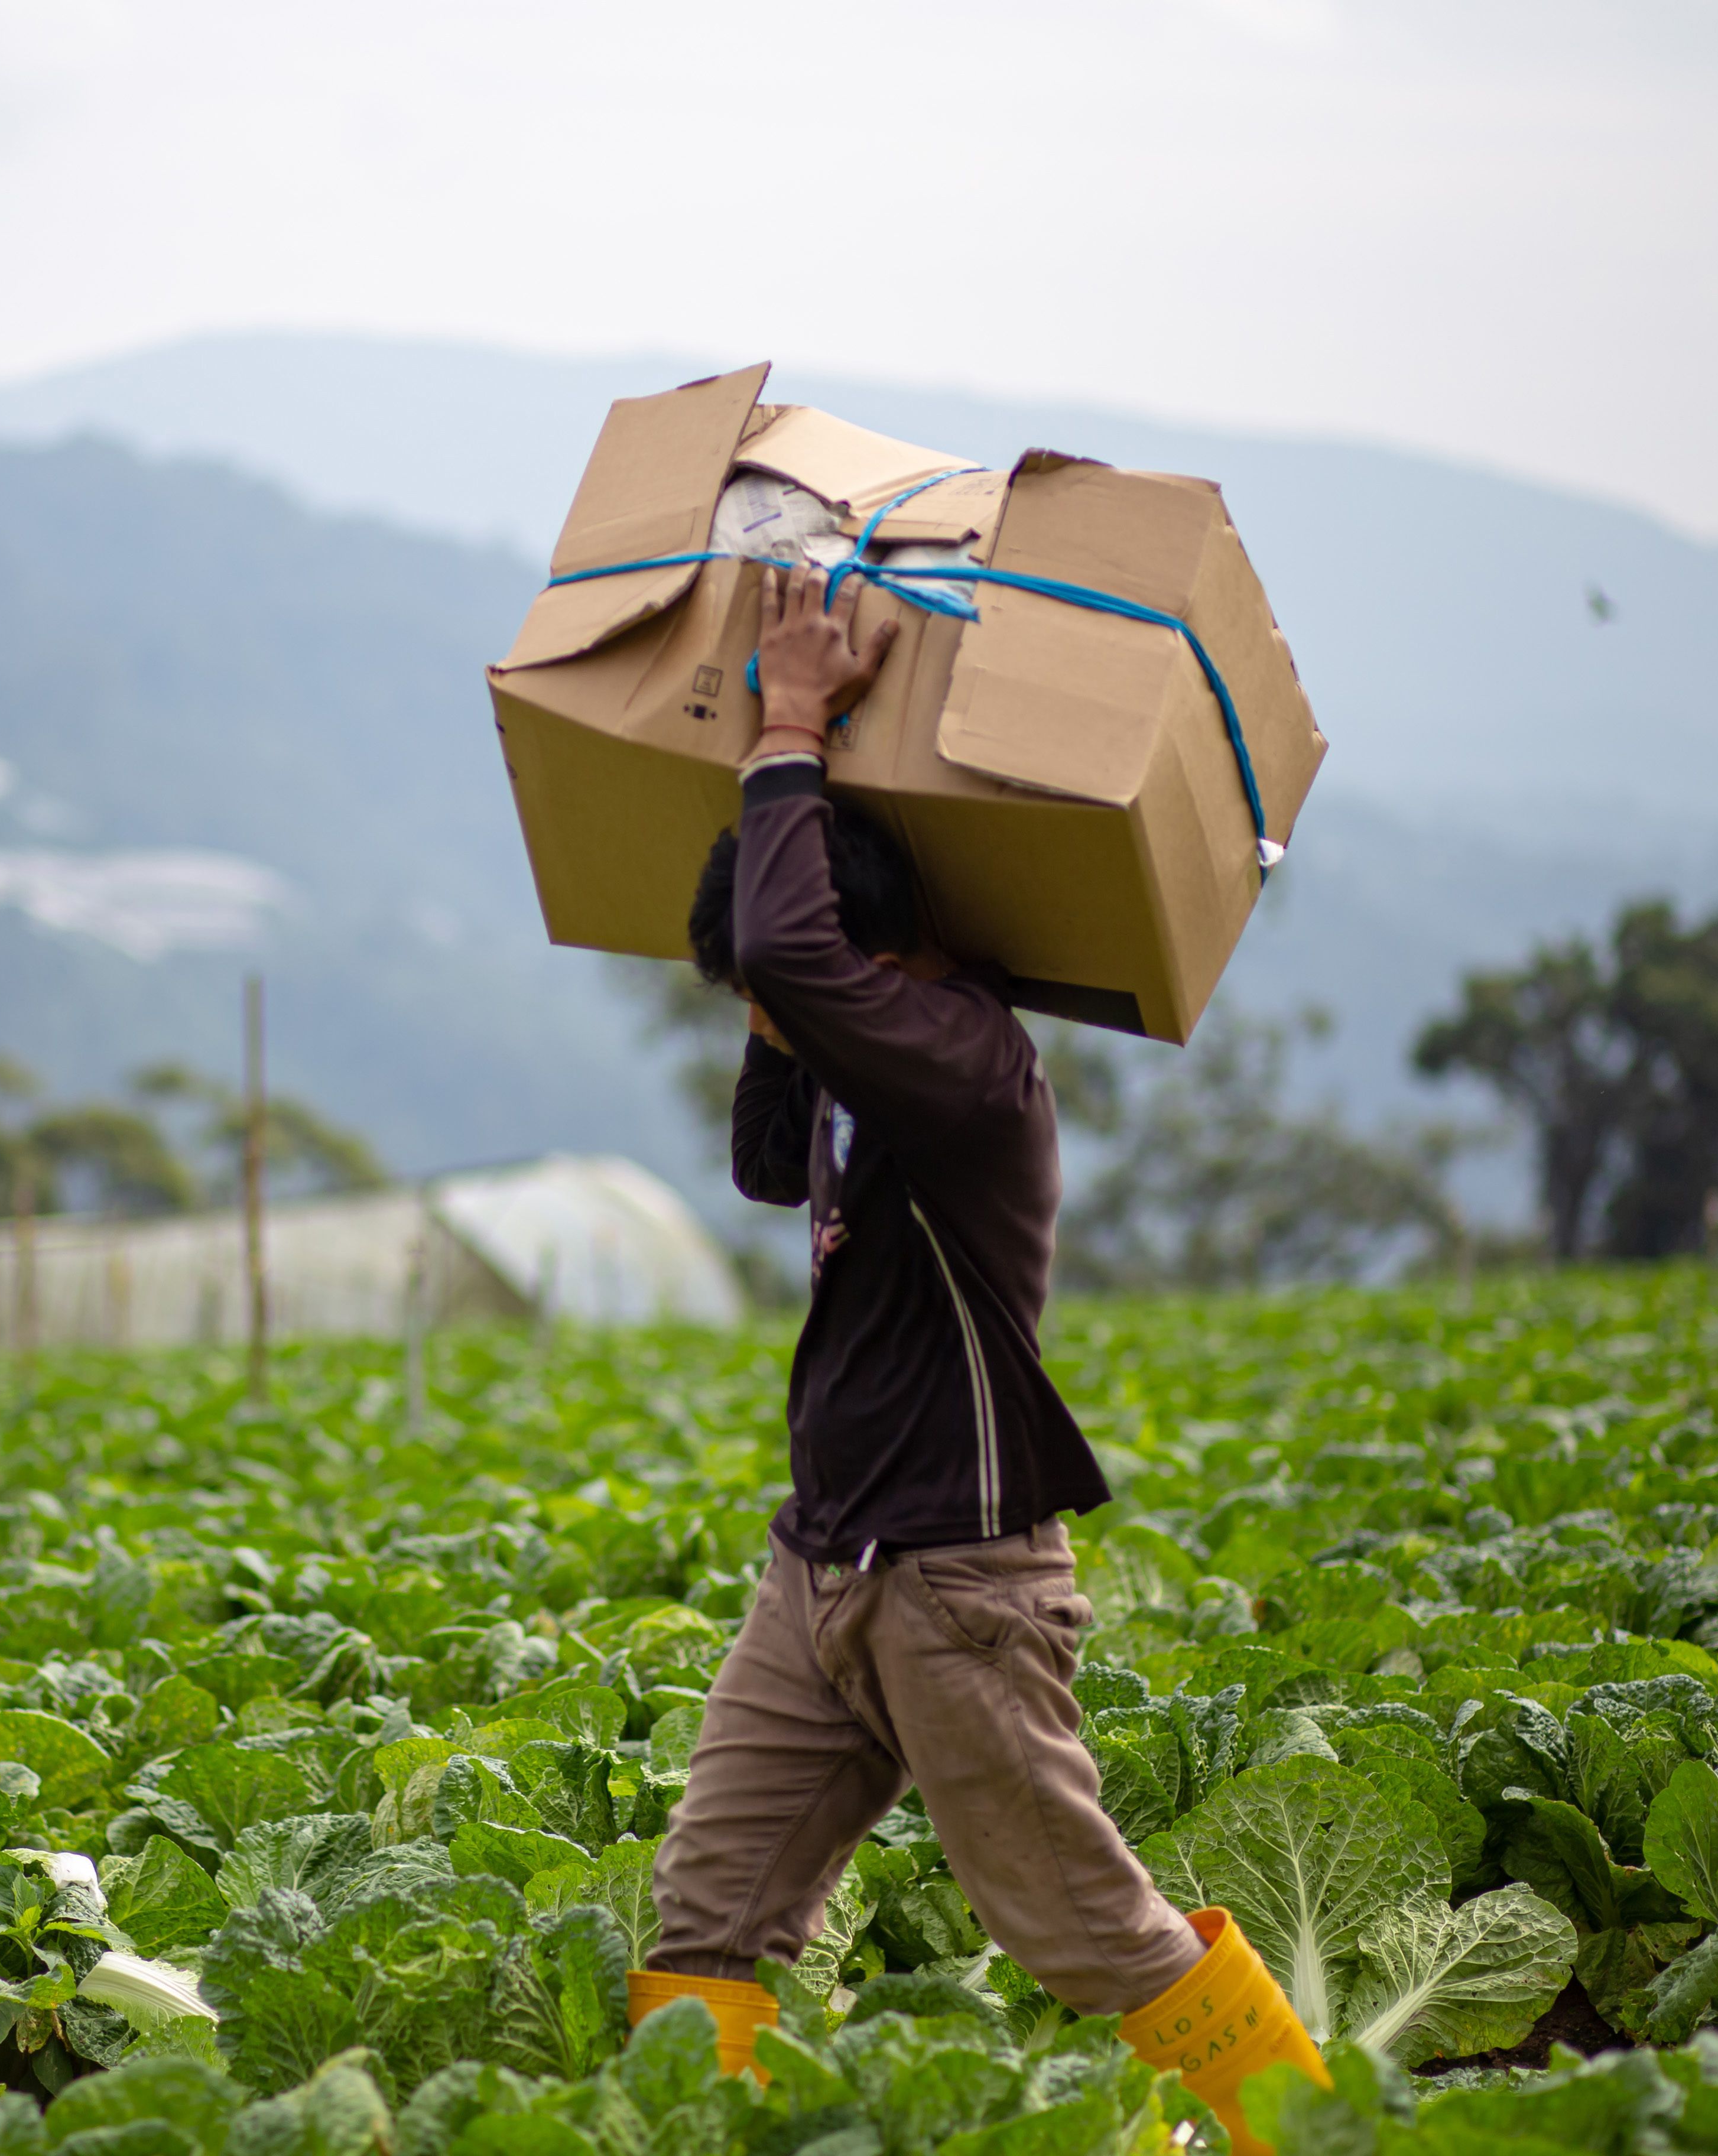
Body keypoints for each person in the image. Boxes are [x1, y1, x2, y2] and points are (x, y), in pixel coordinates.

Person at [623, 564, 1325, 2155]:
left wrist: (790, 723)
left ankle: (1314, 2133)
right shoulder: (854, 1066)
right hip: (825, 1574)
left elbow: (804, 963)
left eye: (782, 982)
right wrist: (772, 940)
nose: (774, 1007)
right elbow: (756, 1152)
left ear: (870, 965)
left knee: (1088, 1932)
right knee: (705, 1914)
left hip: (958, 1584)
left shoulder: (964, 1071)